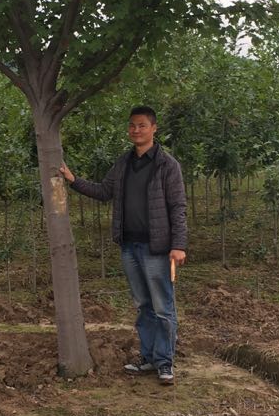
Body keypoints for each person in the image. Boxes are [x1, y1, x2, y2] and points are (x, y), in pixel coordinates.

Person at [60, 107, 187, 385]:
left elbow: (178, 207)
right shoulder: (124, 163)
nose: (136, 130)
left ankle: (165, 362)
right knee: (143, 305)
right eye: (132, 126)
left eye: (142, 125)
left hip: (156, 248)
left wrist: (178, 245)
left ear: (154, 128)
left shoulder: (167, 165)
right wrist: (73, 181)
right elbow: (105, 191)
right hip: (129, 246)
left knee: (162, 307)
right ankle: (149, 358)